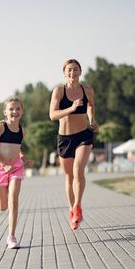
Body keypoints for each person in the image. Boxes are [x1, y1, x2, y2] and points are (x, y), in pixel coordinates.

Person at [49, 59, 99, 230]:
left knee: (78, 170)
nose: (72, 72)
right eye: (69, 70)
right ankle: (71, 210)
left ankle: (77, 207)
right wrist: (71, 108)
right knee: (69, 176)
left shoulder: (87, 90)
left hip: (83, 136)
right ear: (64, 73)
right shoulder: (59, 91)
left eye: (75, 69)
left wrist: (92, 120)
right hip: (65, 139)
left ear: (80, 71)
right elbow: (53, 115)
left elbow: (91, 105)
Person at [0, 97, 33, 249]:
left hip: (16, 168)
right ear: (5, 112)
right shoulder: (1, 127)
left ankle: (11, 237)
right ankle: (2, 188)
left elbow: (17, 148)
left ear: (22, 111)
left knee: (13, 201)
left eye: (18, 109)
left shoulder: (22, 131)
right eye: (11, 109)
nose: (15, 112)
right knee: (2, 206)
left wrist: (24, 158)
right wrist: (3, 164)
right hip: (1, 168)